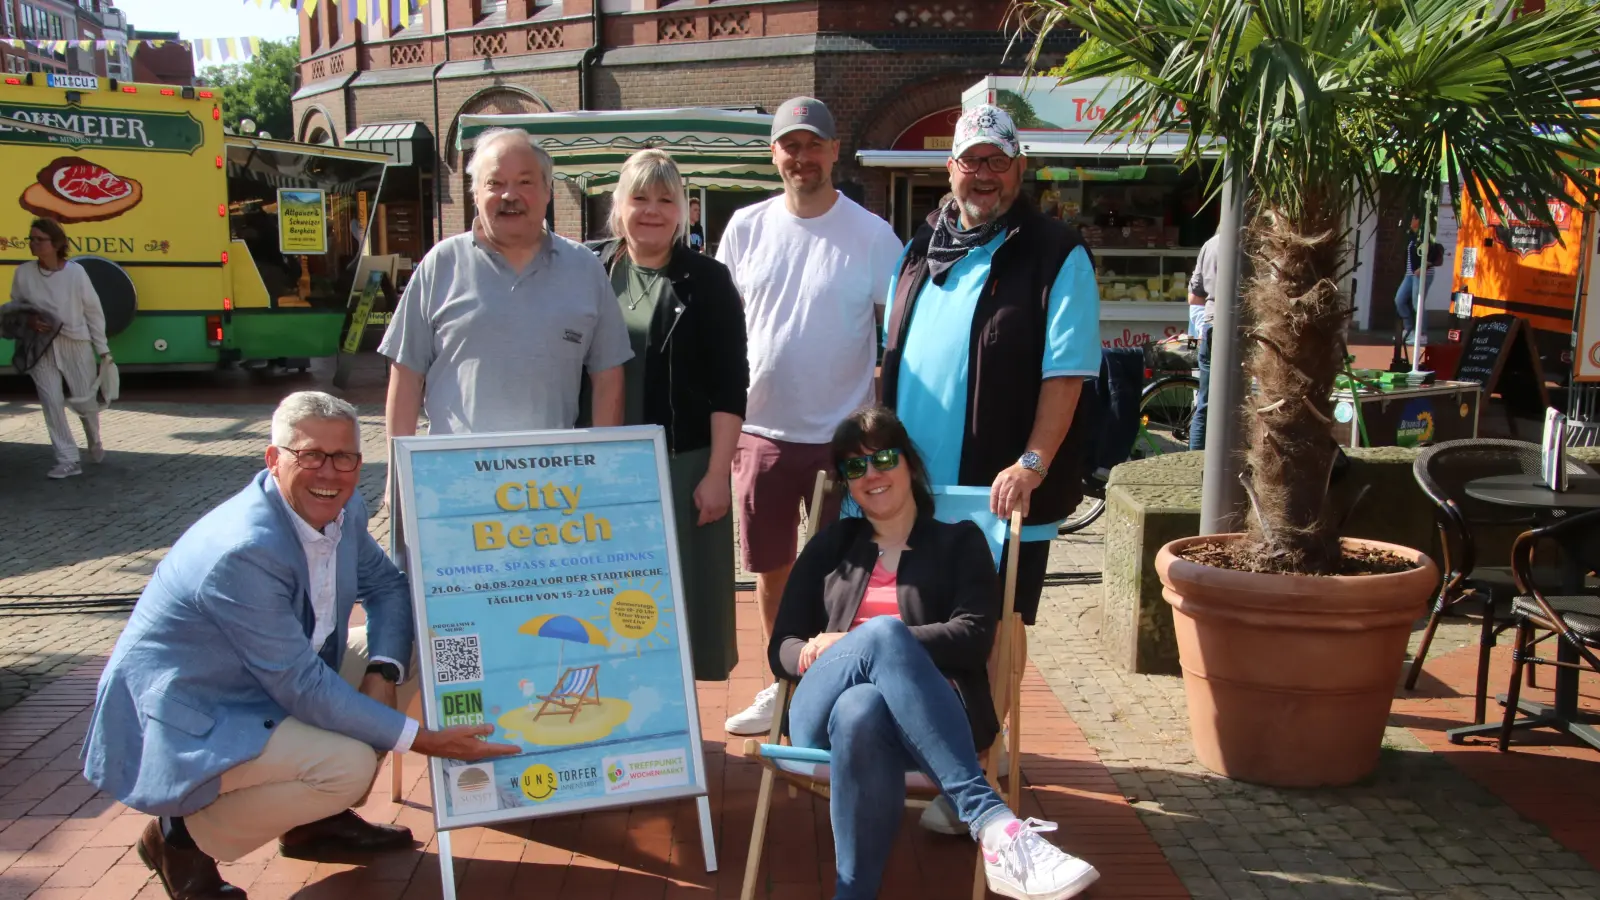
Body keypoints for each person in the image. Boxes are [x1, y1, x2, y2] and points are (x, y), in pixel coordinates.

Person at [82, 391, 519, 900]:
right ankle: (178, 838)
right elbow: (301, 686)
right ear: (273, 459)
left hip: (266, 681)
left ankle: (315, 824)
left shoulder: (341, 506)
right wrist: (421, 739)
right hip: (196, 712)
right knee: (346, 765)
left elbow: (387, 586)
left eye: (344, 457)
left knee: (412, 654)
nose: (329, 473)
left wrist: (382, 670)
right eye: (309, 455)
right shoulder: (245, 550)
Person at [769, 406, 1100, 900]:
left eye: (883, 457)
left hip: (928, 722)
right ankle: (992, 824)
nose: (872, 474)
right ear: (846, 483)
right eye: (855, 467)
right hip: (819, 711)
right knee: (879, 638)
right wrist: (831, 651)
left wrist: (879, 643)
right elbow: (782, 648)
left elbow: (973, 634)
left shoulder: (958, 542)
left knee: (864, 706)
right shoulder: (830, 546)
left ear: (910, 464)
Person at [880, 104, 1100, 834]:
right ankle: (941, 751)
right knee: (929, 622)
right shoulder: (920, 248)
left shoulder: (1055, 252)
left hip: (1004, 494)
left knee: (997, 625)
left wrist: (1033, 462)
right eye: (970, 160)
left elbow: (1064, 376)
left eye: (996, 161)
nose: (982, 174)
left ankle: (968, 774)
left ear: (1020, 169)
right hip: (921, 495)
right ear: (950, 168)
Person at [716, 96, 905, 735]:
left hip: (841, 441)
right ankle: (783, 685)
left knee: (844, 577)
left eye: (813, 145)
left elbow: (901, 333)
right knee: (773, 574)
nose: (802, 157)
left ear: (833, 152)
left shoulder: (872, 235)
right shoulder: (744, 227)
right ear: (776, 154)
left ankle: (835, 688)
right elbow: (721, 329)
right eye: (789, 145)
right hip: (761, 434)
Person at [589, 150, 749, 681]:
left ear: (683, 211)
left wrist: (716, 476)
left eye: (665, 199)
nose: (652, 210)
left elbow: (730, 386)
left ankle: (677, 743)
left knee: (679, 606)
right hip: (604, 470)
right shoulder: (590, 271)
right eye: (639, 197)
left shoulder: (708, 280)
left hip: (683, 467)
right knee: (610, 605)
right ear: (618, 205)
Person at [379, 127, 632, 438]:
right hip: (455, 474)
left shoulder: (585, 268)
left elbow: (609, 377)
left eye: (524, 182)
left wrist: (604, 461)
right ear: (475, 195)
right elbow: (406, 375)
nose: (509, 196)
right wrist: (396, 475)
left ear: (547, 191)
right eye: (494, 184)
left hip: (552, 476)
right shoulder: (441, 264)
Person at [4, 217, 110, 479]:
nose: (33, 244)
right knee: (51, 401)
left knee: (84, 401)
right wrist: (30, 320)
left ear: (56, 243)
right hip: (40, 346)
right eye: (31, 239)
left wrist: (103, 348)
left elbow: (93, 312)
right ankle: (67, 459)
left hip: (74, 342)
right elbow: (17, 306)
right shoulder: (23, 273)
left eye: (39, 239)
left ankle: (94, 438)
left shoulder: (75, 273)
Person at [1187, 231, 1222, 451]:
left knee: (1206, 403)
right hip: (1237, 330)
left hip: (1211, 325)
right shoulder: (1254, 244)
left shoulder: (1210, 244)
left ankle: (1194, 462)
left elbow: (1194, 296)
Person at [1393, 214, 1439, 346]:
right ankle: (1409, 330)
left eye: (1414, 218)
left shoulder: (1425, 235)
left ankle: (1422, 334)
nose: (1411, 221)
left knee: (1417, 303)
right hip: (1410, 274)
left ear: (1419, 221)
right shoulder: (1411, 236)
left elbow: (1434, 253)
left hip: (1423, 273)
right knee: (1399, 300)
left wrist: (1424, 266)